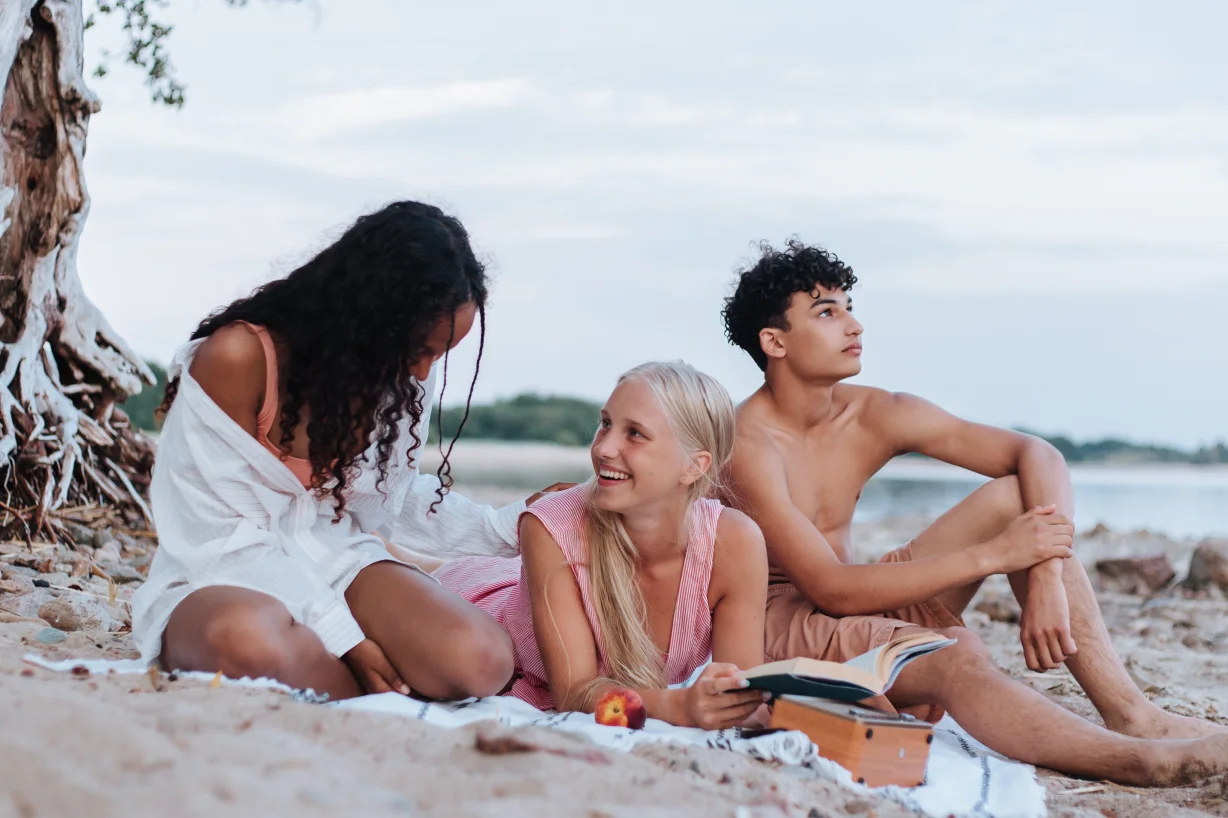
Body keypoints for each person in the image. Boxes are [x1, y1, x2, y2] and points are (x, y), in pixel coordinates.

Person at [720, 239, 1228, 785]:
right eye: (826, 312)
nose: (854, 326)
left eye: (849, 307)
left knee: (1017, 500)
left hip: (860, 604)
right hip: (783, 625)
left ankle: (1133, 714)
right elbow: (830, 589)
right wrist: (996, 554)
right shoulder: (744, 443)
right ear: (774, 341)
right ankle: (1147, 763)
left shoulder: (875, 413)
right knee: (958, 649)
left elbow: (1036, 454)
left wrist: (1048, 571)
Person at [132, 201, 562, 702]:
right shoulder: (238, 357)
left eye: (438, 355)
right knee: (247, 642)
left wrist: (503, 527)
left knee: (481, 659)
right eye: (418, 350)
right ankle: (367, 683)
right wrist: (342, 635)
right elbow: (219, 532)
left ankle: (333, 677)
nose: (423, 373)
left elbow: (389, 496)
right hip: (223, 571)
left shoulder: (399, 379)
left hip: (337, 561)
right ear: (366, 316)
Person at [434, 362, 770, 729]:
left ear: (693, 466)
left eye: (635, 434)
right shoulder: (550, 527)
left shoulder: (736, 543)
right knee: (427, 571)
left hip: (523, 579)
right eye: (606, 423)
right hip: (479, 612)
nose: (604, 448)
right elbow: (573, 695)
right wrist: (675, 707)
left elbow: (744, 700)